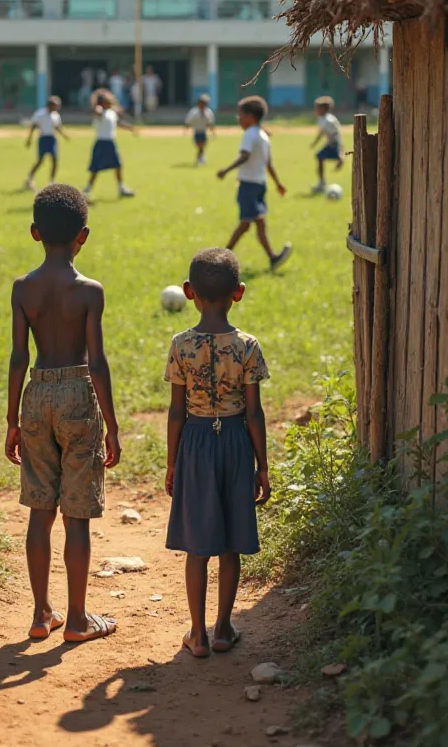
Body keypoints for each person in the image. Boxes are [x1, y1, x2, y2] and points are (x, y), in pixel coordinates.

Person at [6, 185, 122, 643]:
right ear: (84, 236)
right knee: (76, 516)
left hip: (36, 394)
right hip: (78, 396)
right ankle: (76, 620)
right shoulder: (89, 292)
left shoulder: (22, 289)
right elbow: (97, 361)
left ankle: (40, 614)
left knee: (40, 511)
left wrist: (12, 419)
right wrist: (111, 426)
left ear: (35, 233)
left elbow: (18, 356)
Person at [164, 247, 271, 658]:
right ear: (238, 293)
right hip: (236, 441)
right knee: (230, 543)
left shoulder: (181, 345)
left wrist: (173, 462)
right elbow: (254, 412)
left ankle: (198, 634)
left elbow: (176, 411)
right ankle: (224, 628)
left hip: (194, 440)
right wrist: (262, 466)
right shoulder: (247, 346)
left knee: (198, 546)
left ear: (189, 292)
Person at [217, 96, 292, 271]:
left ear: (250, 117)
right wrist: (277, 183)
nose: (238, 119)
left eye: (240, 115)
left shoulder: (250, 134)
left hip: (249, 185)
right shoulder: (263, 135)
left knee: (246, 224)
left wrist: (226, 170)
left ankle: (221, 259)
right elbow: (269, 164)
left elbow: (245, 156)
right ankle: (272, 257)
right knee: (256, 223)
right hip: (259, 185)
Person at [83, 89, 135, 200]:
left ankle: (121, 188)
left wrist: (129, 127)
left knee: (118, 165)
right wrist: (98, 108)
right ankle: (87, 190)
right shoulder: (100, 112)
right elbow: (97, 111)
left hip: (110, 142)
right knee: (95, 169)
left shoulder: (111, 113)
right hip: (101, 142)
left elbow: (118, 123)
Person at [24, 96, 70, 190]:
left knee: (54, 160)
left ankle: (51, 181)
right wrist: (29, 139)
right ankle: (29, 178)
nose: (56, 108)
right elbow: (34, 126)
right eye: (55, 106)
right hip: (43, 138)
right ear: (50, 105)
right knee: (40, 161)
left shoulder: (55, 115)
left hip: (52, 139)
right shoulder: (40, 114)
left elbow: (57, 127)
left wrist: (64, 135)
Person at [310, 95, 344, 193]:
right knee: (319, 157)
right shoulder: (321, 118)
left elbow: (336, 132)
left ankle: (341, 158)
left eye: (317, 108)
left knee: (321, 157)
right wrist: (314, 143)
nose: (315, 110)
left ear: (323, 109)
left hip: (334, 143)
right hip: (330, 143)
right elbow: (321, 133)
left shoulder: (329, 119)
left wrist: (339, 146)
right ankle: (322, 183)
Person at [184, 94, 216, 165]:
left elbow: (210, 123)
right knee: (200, 146)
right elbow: (188, 121)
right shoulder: (194, 112)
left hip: (203, 132)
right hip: (197, 132)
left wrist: (213, 131)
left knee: (202, 146)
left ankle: (200, 158)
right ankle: (200, 158)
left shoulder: (208, 112)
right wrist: (186, 129)